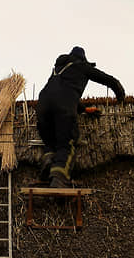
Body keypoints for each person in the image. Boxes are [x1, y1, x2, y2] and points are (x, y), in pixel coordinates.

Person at [36, 46, 125, 187]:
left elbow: (59, 94)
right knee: (66, 143)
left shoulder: (57, 70)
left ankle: (48, 162)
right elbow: (106, 79)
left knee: (51, 142)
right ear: (83, 59)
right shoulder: (81, 66)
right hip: (63, 108)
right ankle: (59, 178)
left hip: (42, 107)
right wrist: (120, 93)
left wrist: (84, 109)